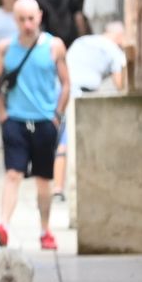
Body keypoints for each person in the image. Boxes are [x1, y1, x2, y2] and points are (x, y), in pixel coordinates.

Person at [0, 0, 70, 251]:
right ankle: (4, 225)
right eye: (22, 19)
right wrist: (3, 115)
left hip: (45, 121)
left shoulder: (53, 46)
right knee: (13, 174)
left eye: (31, 18)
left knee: (43, 179)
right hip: (16, 121)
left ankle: (45, 230)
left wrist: (57, 114)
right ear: (15, 20)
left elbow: (66, 82)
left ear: (40, 17)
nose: (27, 24)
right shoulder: (5, 48)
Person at [55, 21, 127, 201]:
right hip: (84, 96)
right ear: (120, 37)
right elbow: (121, 86)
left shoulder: (82, 41)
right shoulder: (115, 51)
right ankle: (80, 188)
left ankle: (57, 188)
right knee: (80, 142)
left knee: (63, 139)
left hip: (63, 91)